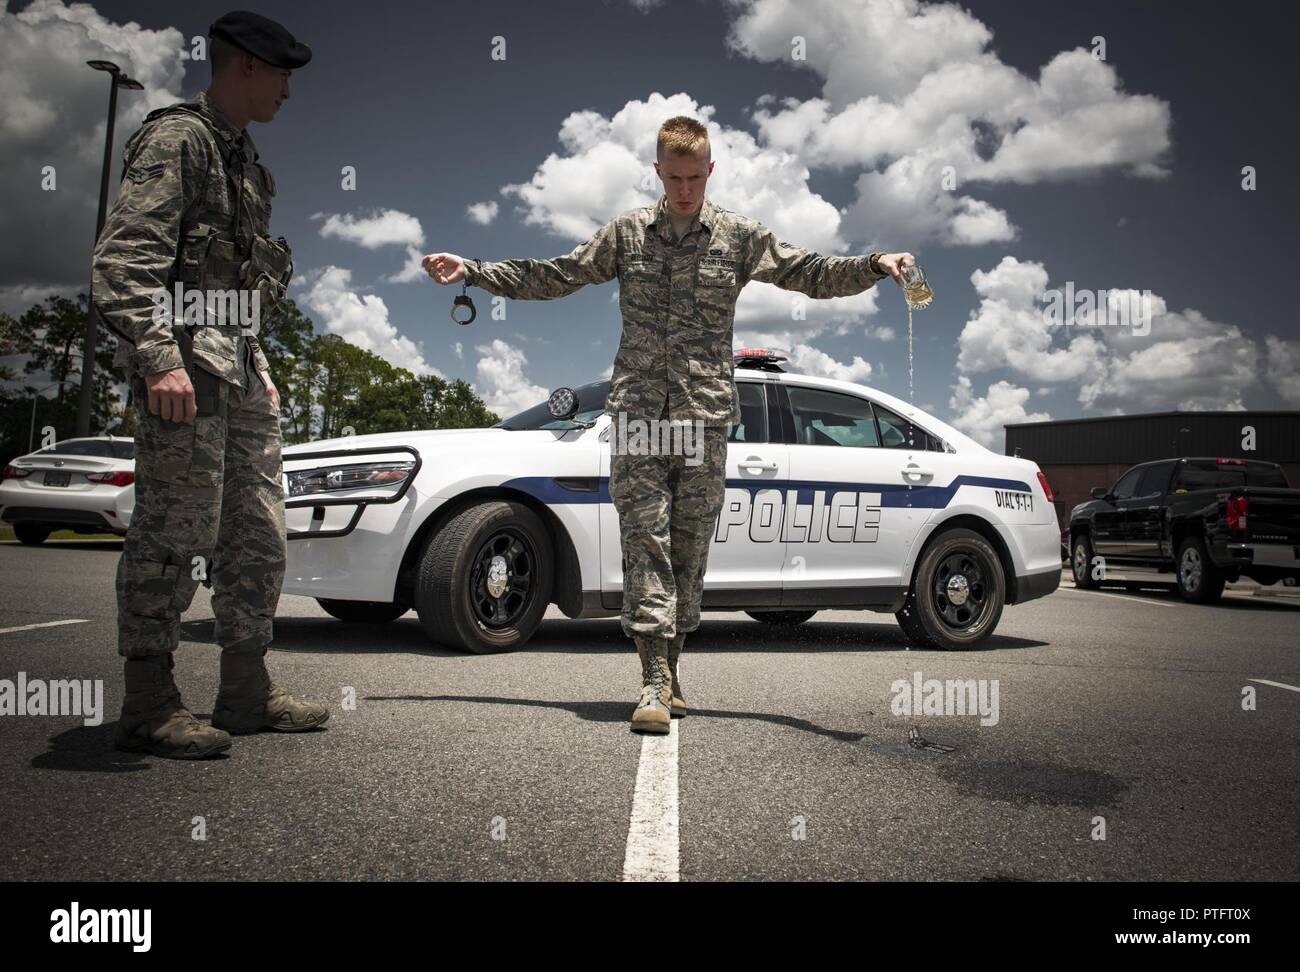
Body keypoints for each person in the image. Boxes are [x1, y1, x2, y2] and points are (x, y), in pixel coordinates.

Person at [423, 115, 914, 734]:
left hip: (702, 420)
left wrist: (875, 263)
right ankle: (653, 678)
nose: (684, 190)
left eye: (695, 178)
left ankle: (672, 667)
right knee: (644, 543)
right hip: (639, 417)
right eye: (674, 177)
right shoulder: (628, 233)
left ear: (711, 170)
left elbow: (808, 272)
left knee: (688, 551)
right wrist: (473, 270)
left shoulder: (738, 236)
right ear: (658, 171)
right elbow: (557, 274)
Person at [93, 11, 328, 759]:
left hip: (238, 370)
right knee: (173, 532)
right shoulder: (179, 141)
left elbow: (235, 284)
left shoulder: (249, 165)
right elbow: (125, 261)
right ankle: (148, 701)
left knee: (258, 531)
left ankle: (245, 690)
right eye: (282, 73)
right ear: (246, 65)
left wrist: (258, 361)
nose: (289, 89)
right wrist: (158, 356)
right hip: (185, 371)